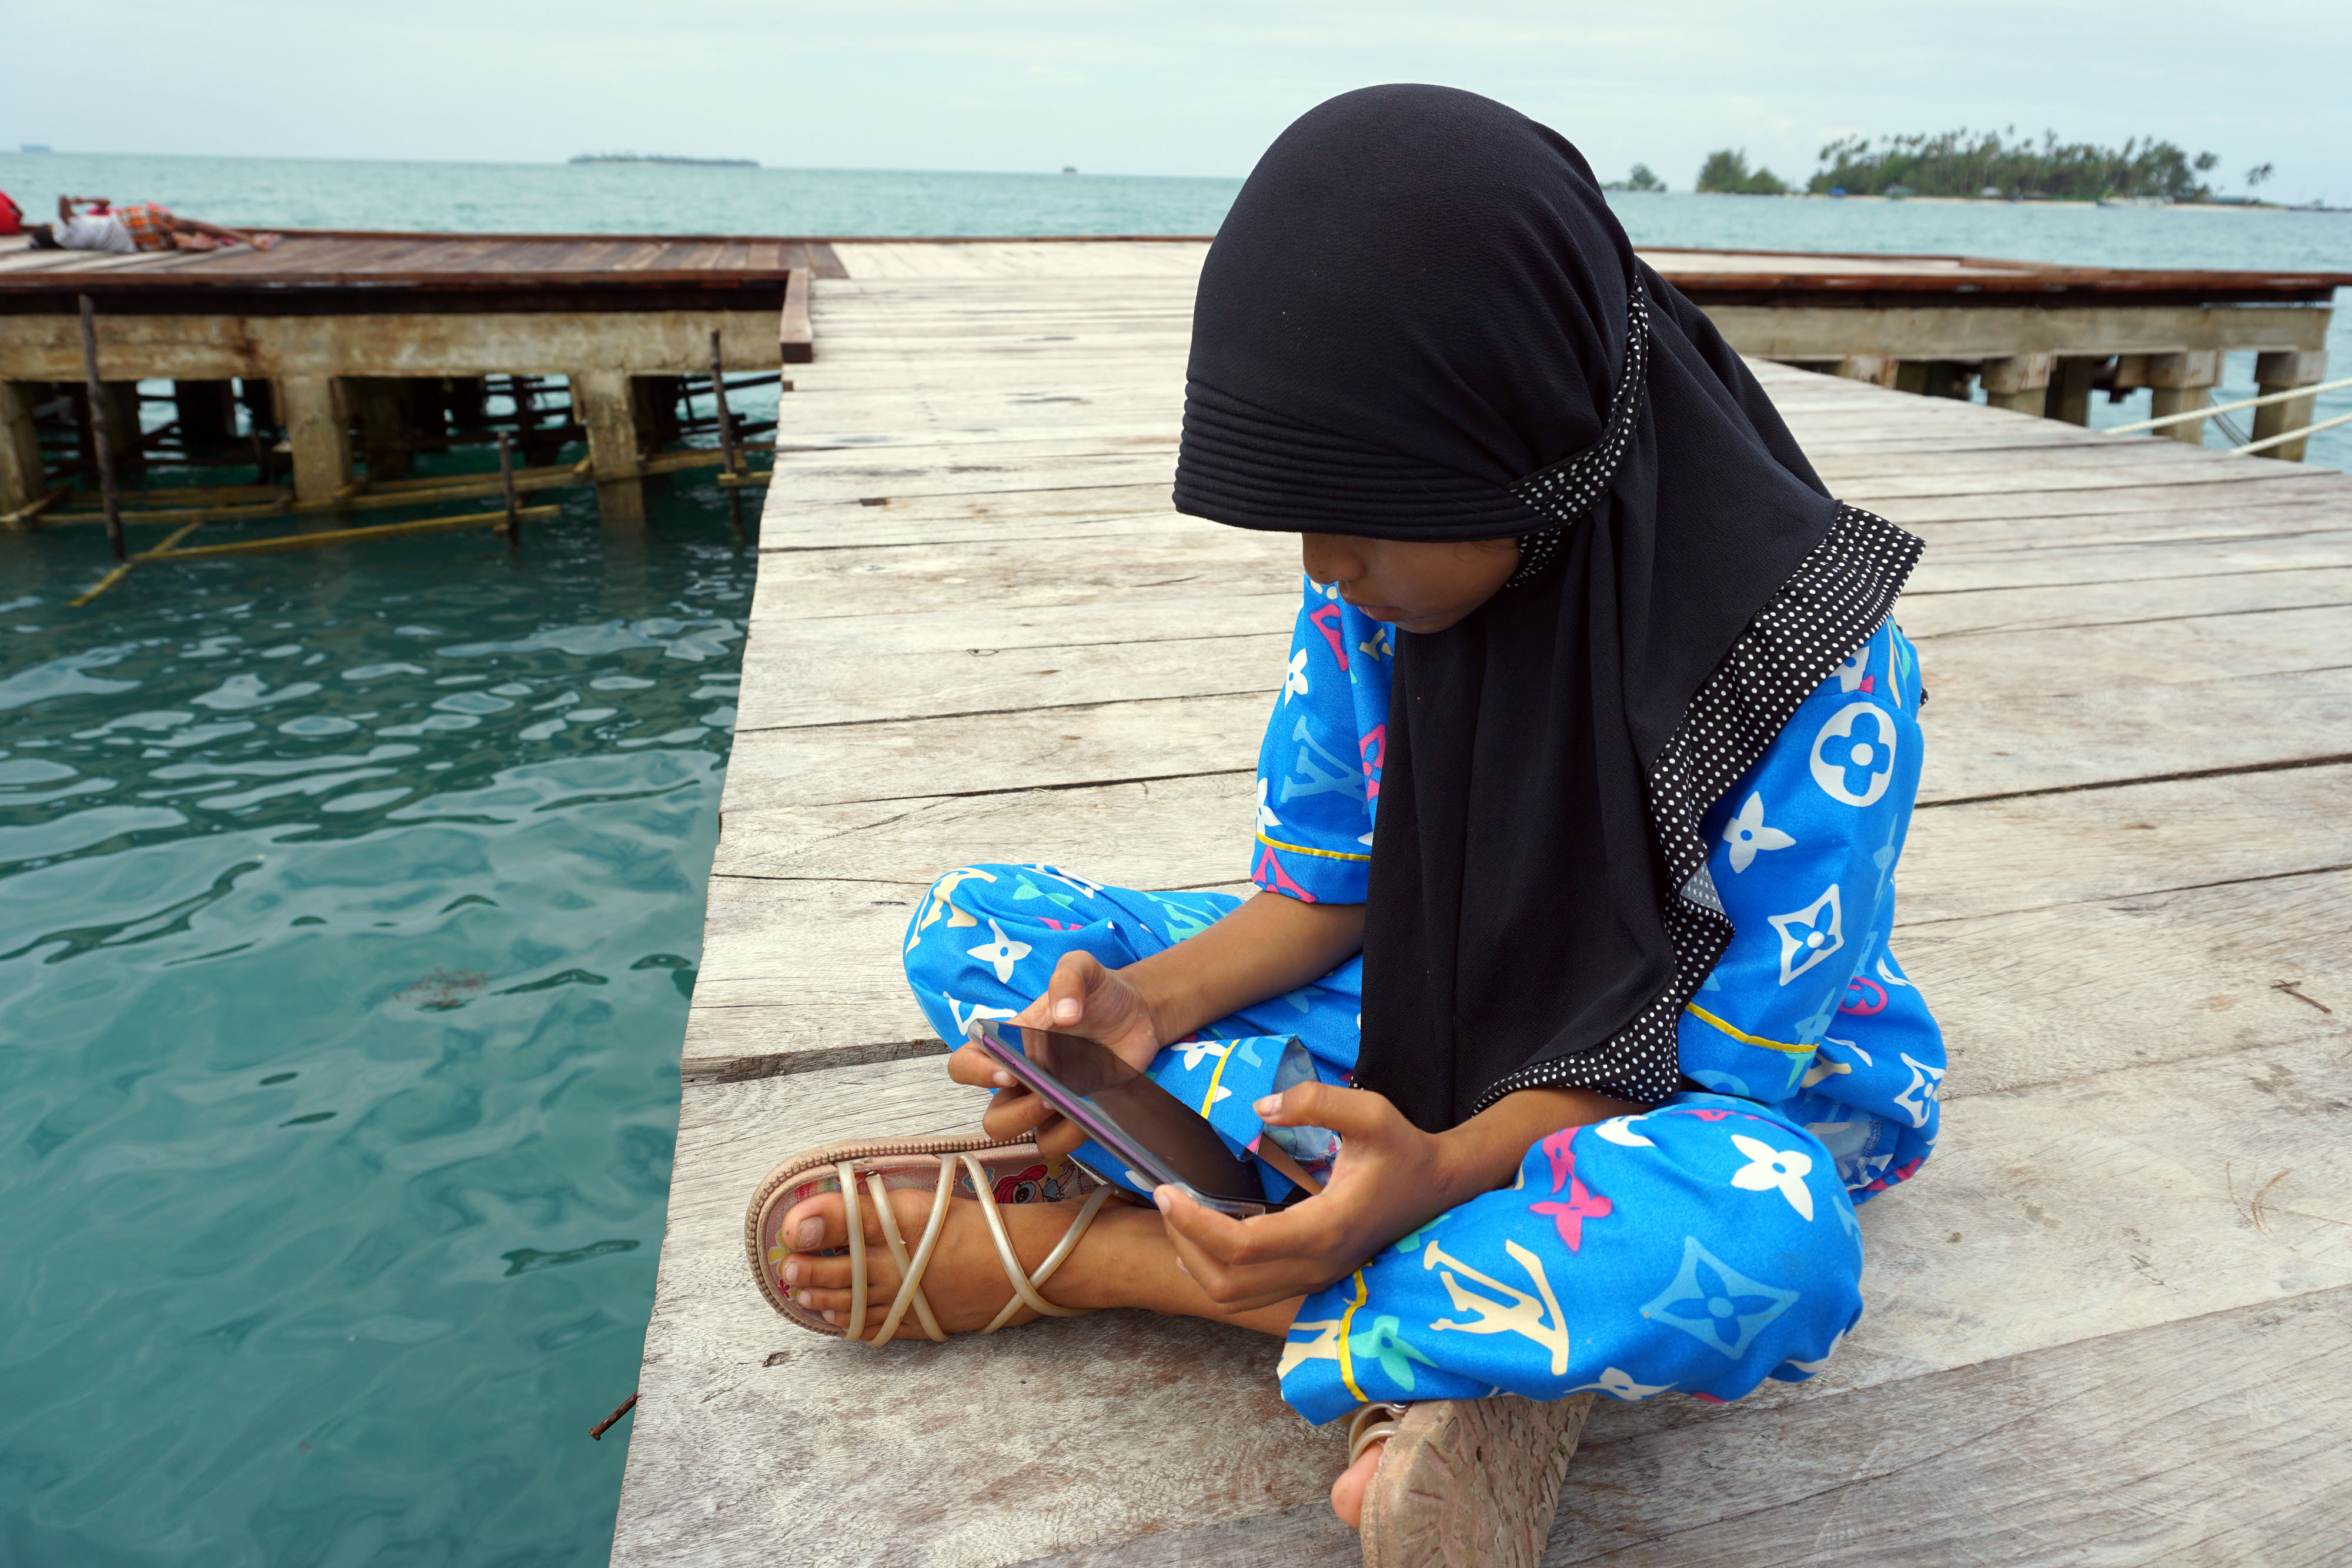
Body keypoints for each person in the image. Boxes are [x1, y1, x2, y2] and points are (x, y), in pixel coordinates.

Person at [744, 85, 1943, 1566]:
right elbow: (1322, 895)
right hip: (1416, 997)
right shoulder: (1369, 593)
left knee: (1775, 1234)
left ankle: (1121, 1256)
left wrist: (1441, 1161)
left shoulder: (1820, 679)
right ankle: (1419, 1310)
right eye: (1302, 521)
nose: (1326, 564)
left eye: (1364, 512)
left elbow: (1711, 1080)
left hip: (1670, 1086)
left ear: (1535, 437)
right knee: (975, 928)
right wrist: (1134, 1012)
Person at [27, 195, 279, 253]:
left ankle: (203, 246)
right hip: (128, 221)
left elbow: (104, 201)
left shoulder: (68, 242)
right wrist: (78, 200)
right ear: (49, 229)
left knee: (174, 243)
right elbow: (62, 201)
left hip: (132, 245)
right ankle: (251, 240)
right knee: (189, 224)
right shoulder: (61, 229)